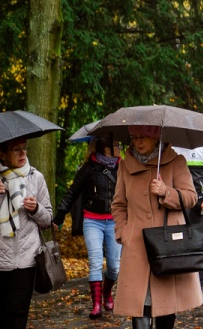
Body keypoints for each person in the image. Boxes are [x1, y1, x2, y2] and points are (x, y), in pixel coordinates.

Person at [113, 125, 202, 329]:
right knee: (140, 304)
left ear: (156, 138)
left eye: (143, 137)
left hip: (167, 245)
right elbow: (118, 204)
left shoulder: (175, 161)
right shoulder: (125, 166)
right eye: (134, 137)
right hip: (137, 246)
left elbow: (191, 198)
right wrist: (123, 232)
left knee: (165, 306)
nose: (138, 141)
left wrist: (166, 192)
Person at [52, 137, 121, 318]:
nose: (119, 147)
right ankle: (96, 305)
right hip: (93, 221)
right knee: (96, 262)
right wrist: (60, 215)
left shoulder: (123, 169)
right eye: (116, 144)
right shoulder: (89, 168)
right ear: (107, 148)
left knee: (114, 266)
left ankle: (106, 293)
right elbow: (73, 191)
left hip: (115, 221)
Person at [0, 137, 53, 329]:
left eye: (25, 149)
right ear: (3, 154)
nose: (23, 154)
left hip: (26, 260)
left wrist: (36, 208)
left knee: (17, 313)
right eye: (16, 150)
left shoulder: (35, 177)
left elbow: (47, 220)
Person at [171, 144, 203, 287]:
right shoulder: (171, 148)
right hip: (176, 205)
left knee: (198, 246)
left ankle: (198, 288)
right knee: (176, 245)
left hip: (199, 205)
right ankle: (178, 286)